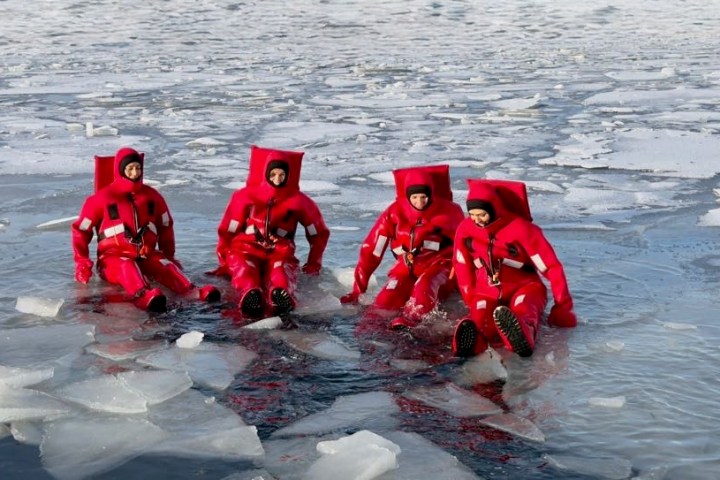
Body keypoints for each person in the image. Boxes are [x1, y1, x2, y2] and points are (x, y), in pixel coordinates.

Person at [72, 147, 221, 313]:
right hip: (113, 258)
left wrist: (169, 255)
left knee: (166, 266)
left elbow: (165, 227)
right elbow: (80, 230)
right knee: (126, 266)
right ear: (121, 170)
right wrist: (82, 261)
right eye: (130, 169)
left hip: (147, 254)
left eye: (138, 168)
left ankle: (192, 291)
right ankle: (143, 295)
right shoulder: (100, 199)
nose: (135, 172)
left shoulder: (152, 196)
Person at [451, 178, 577, 358]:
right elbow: (462, 265)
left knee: (524, 309)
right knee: (479, 315)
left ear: (493, 209)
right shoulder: (465, 229)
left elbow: (551, 268)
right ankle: (472, 341)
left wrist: (563, 307)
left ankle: (522, 336)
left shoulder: (522, 229)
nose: (477, 220)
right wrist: (470, 296)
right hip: (485, 291)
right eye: (472, 215)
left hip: (525, 287)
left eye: (482, 215)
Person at [340, 165, 465, 331]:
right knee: (387, 297)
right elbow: (372, 249)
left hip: (439, 268)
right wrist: (358, 289)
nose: (419, 202)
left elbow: (467, 248)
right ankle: (371, 325)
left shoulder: (450, 213)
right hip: (405, 268)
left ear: (431, 194)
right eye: (414, 197)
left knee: (424, 287)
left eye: (424, 197)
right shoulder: (394, 213)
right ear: (407, 196)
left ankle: (412, 320)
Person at [215, 145, 330, 318]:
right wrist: (224, 258)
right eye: (274, 174)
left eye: (282, 175)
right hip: (245, 250)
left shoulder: (299, 202)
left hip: (280, 253)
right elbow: (228, 230)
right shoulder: (245, 196)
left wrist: (313, 264)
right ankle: (250, 295)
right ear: (266, 173)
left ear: (288, 176)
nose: (277, 179)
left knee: (281, 274)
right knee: (245, 271)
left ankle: (281, 296)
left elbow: (318, 234)